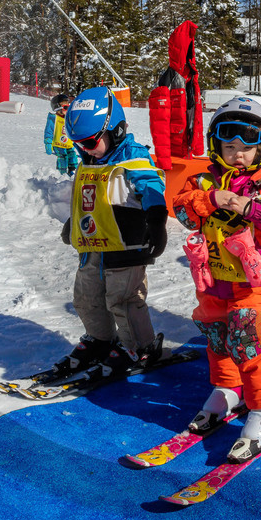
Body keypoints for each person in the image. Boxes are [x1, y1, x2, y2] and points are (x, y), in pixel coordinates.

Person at [172, 97, 261, 460]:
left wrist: (247, 206)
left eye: (247, 148)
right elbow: (181, 208)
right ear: (217, 146)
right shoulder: (202, 180)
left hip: (253, 282)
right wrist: (212, 198)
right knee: (217, 332)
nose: (238, 155)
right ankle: (229, 388)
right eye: (229, 147)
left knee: (249, 336)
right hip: (214, 277)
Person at [54, 86, 168, 375]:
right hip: (92, 246)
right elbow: (88, 198)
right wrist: (73, 221)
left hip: (125, 246)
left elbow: (152, 187)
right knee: (86, 298)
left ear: (115, 130)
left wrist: (156, 221)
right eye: (78, 144)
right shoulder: (90, 159)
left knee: (123, 300)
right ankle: (101, 339)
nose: (84, 149)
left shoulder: (131, 155)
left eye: (90, 142)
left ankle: (139, 346)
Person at [43, 93, 78, 176]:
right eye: (64, 104)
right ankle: (61, 173)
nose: (67, 106)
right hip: (58, 144)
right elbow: (49, 131)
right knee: (63, 157)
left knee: (73, 156)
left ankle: (73, 171)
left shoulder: (69, 118)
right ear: (57, 107)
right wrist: (48, 142)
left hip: (69, 144)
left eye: (67, 104)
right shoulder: (54, 118)